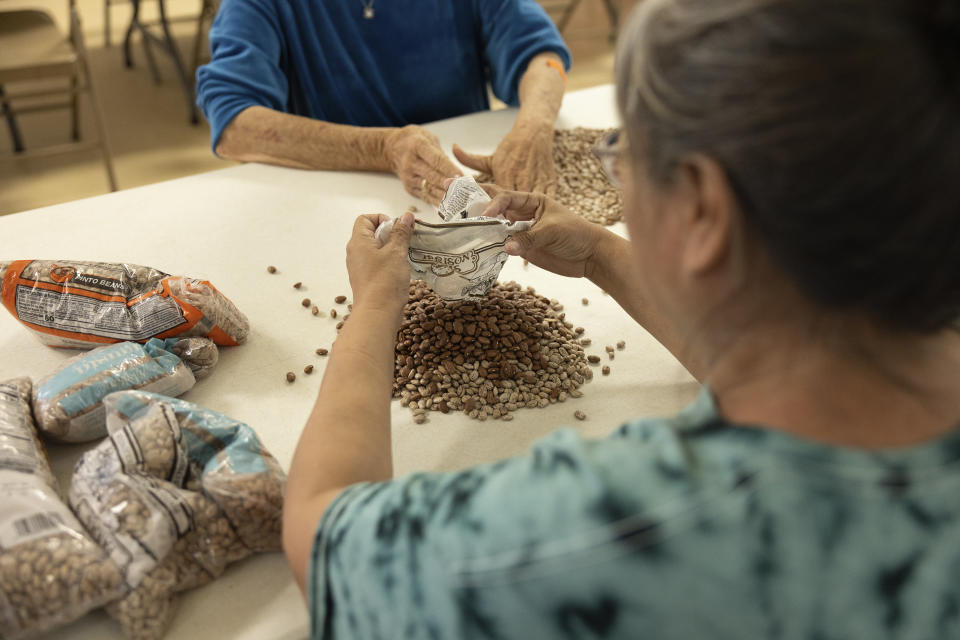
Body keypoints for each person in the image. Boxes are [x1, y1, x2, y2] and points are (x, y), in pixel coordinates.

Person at [282, 0, 960, 637]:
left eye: (624, 155)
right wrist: (601, 254)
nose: (617, 179)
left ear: (703, 209)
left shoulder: (621, 522)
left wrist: (375, 304)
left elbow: (324, 538)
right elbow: (801, 363)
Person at [195, 0, 571, 205]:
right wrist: (383, 149)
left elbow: (543, 57)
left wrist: (534, 126)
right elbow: (234, 126)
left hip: (464, 191)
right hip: (338, 202)